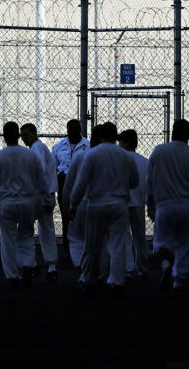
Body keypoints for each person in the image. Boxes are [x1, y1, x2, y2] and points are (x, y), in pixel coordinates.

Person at [0, 122, 52, 288]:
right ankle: (27, 263)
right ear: (18, 136)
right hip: (27, 202)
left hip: (7, 202)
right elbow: (41, 181)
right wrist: (47, 201)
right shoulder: (30, 155)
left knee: (8, 239)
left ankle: (12, 275)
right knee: (26, 235)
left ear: (4, 137)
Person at [69, 122, 139, 293]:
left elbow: (81, 183)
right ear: (116, 137)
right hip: (119, 204)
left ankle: (87, 277)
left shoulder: (91, 154)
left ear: (100, 136)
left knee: (91, 244)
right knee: (117, 244)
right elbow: (135, 181)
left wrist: (73, 204)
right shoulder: (126, 156)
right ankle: (116, 280)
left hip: (96, 204)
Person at [147, 119, 189, 295]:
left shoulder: (159, 151)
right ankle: (179, 280)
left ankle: (166, 264)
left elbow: (149, 182)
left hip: (164, 205)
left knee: (160, 242)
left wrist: (150, 206)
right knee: (185, 244)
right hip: (188, 205)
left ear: (172, 131)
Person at [20, 123, 58, 282]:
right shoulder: (39, 148)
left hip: (38, 195)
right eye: (22, 135)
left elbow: (39, 171)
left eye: (26, 134)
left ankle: (30, 263)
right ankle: (51, 265)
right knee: (46, 229)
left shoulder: (36, 150)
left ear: (35, 133)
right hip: (46, 193)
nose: (24, 138)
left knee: (25, 228)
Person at [62, 125, 103, 269]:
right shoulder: (116, 155)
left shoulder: (82, 156)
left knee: (76, 237)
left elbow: (71, 183)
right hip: (106, 203)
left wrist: (67, 205)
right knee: (102, 239)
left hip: (82, 203)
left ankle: (80, 265)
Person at [52, 119, 90, 260]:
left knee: (82, 215)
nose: (73, 131)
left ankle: (84, 248)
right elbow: (52, 166)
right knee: (66, 216)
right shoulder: (59, 146)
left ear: (80, 129)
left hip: (82, 183)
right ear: (67, 130)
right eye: (70, 128)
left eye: (76, 128)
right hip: (64, 182)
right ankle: (67, 248)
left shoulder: (88, 145)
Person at [118, 129, 150, 281]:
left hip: (122, 203)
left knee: (124, 237)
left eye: (121, 141)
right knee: (140, 238)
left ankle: (127, 268)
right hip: (138, 203)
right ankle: (143, 268)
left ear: (126, 143)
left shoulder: (119, 159)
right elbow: (149, 184)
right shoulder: (144, 161)